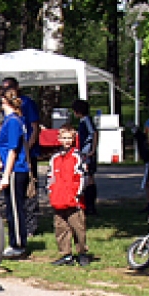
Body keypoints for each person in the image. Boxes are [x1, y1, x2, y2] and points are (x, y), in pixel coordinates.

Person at [47, 124, 90, 266]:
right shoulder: (55, 158)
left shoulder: (78, 157)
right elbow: (50, 177)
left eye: (69, 138)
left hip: (73, 200)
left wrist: (78, 194)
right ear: (59, 139)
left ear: (73, 139)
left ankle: (82, 253)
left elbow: (83, 177)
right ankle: (66, 254)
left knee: (78, 228)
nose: (66, 141)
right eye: (63, 138)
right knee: (61, 228)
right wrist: (51, 192)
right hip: (58, 199)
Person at [0, 89, 31, 258]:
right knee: (12, 207)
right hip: (13, 169)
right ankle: (16, 241)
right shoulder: (14, 120)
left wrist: (6, 174)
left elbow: (12, 151)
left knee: (15, 209)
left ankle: (18, 244)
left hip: (15, 170)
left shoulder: (13, 122)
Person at [72, 99, 98, 214]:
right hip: (83, 152)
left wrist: (92, 150)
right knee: (86, 176)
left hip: (87, 153)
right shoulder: (83, 121)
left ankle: (90, 204)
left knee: (89, 178)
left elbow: (94, 133)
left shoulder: (86, 121)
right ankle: (87, 204)